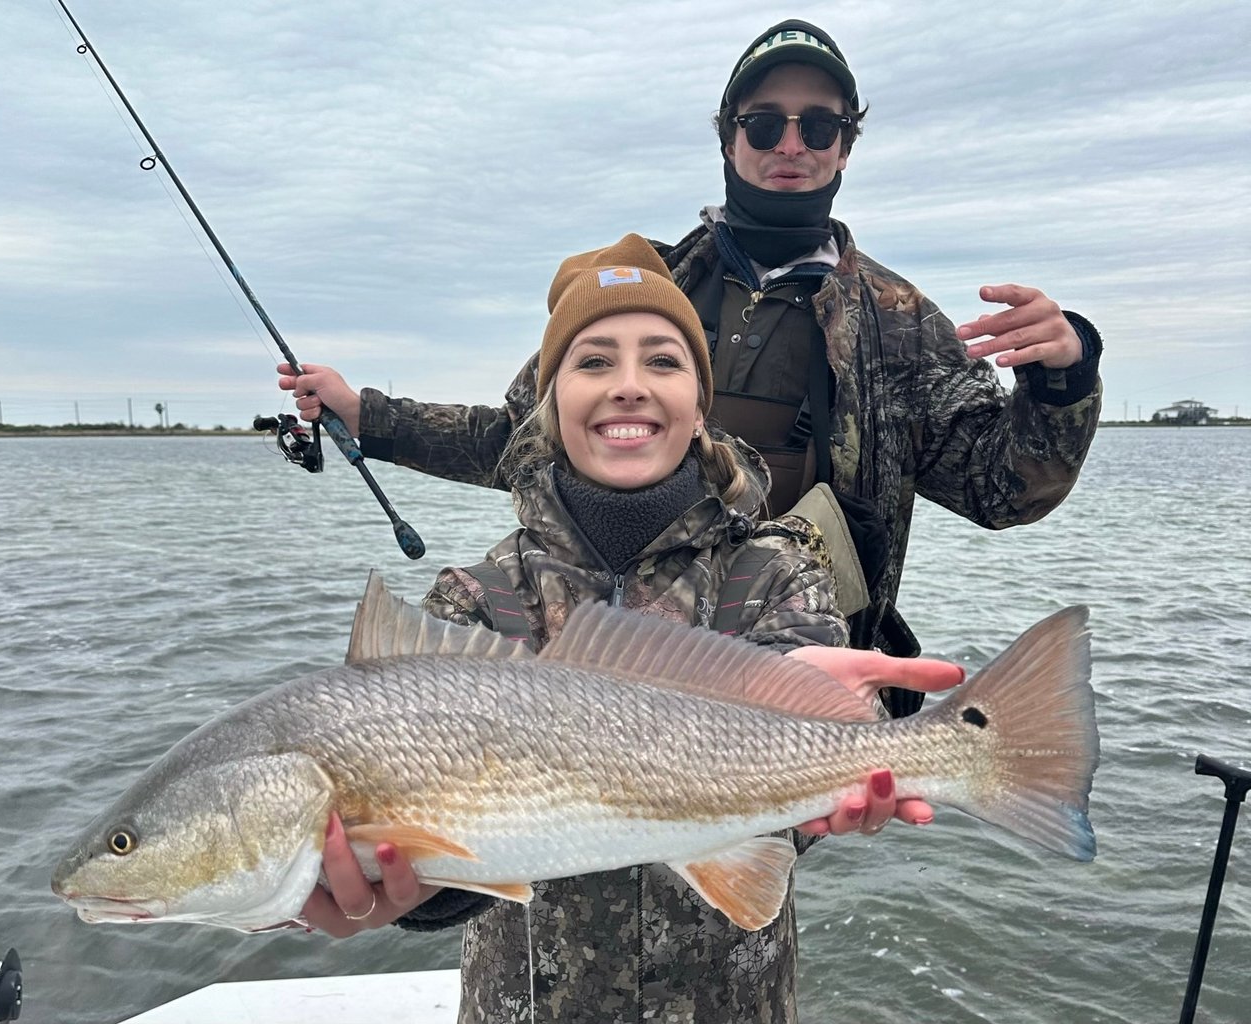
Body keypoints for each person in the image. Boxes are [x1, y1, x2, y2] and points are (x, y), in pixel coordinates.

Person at [279, 18, 1102, 715]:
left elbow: (1002, 490)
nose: (791, 144)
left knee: (757, 843)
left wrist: (1060, 378)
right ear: (727, 136)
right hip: (603, 660)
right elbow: (519, 438)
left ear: (847, 146)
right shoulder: (640, 287)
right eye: (764, 124)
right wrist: (368, 416)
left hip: (796, 668)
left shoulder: (901, 320)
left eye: (819, 127)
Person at [293, 234, 967, 1023]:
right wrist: (407, 891)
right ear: (550, 400)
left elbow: (796, 811)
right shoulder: (476, 602)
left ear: (699, 401)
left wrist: (844, 737)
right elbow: (446, 857)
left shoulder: (775, 573)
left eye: (663, 361)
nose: (628, 386)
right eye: (593, 362)